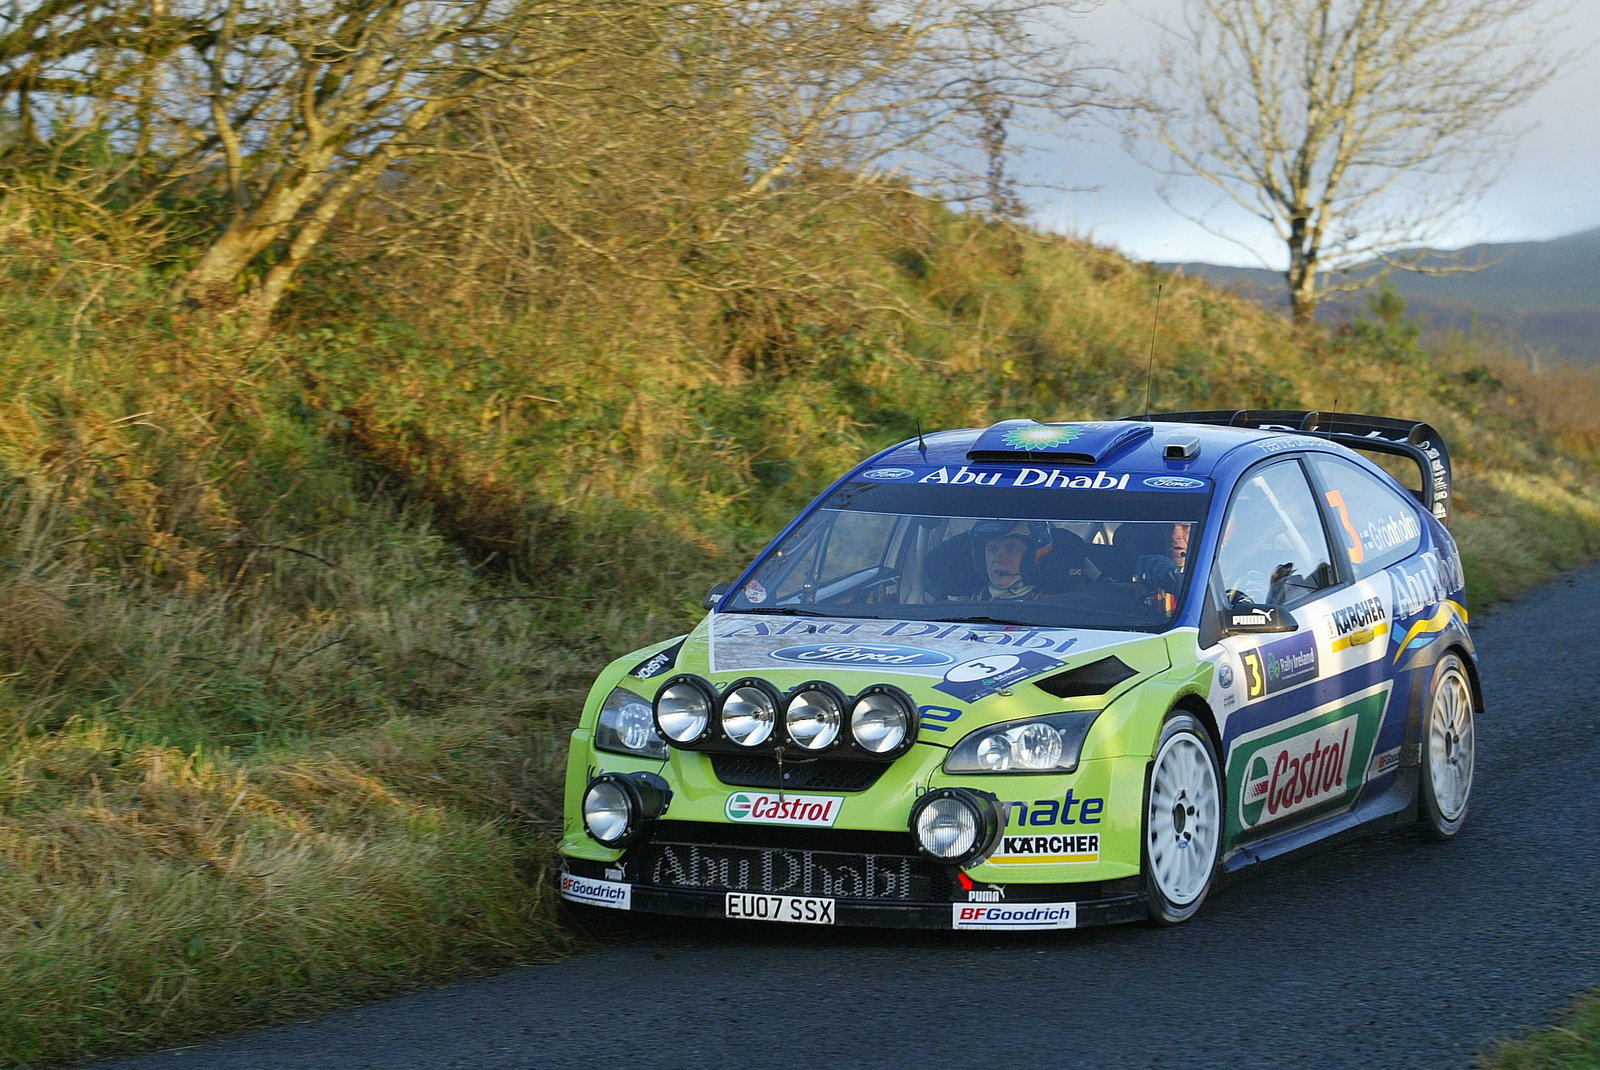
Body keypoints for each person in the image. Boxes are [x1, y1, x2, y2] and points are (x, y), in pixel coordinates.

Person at [966, 520, 1051, 600]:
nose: (999, 558)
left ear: (1029, 560)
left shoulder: (1049, 607)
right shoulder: (966, 606)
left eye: (1012, 549)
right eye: (992, 549)